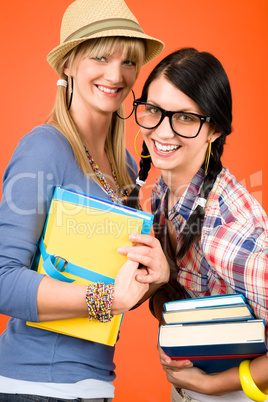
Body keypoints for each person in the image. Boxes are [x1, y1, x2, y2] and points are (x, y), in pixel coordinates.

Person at [0, 0, 168, 401]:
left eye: (129, 61)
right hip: (35, 387)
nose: (117, 74)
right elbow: (3, 280)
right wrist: (107, 299)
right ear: (68, 65)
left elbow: (123, 284)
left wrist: (154, 278)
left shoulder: (127, 167)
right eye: (100, 57)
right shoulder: (44, 148)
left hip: (94, 385)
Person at [118, 47, 268, 401]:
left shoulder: (229, 231)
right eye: (153, 110)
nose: (162, 131)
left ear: (214, 129)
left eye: (184, 117)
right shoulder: (161, 195)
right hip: (189, 390)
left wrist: (215, 384)